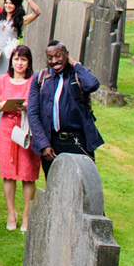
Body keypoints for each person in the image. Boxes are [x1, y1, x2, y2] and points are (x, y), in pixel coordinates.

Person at [25, 40, 103, 178]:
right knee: (55, 186)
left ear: (67, 54)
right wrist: (44, 145)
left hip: (77, 141)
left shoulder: (77, 75)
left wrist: (75, 64)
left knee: (84, 185)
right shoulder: (40, 78)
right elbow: (33, 113)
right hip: (52, 143)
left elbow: (92, 85)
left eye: (58, 56)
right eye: (50, 58)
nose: (54, 61)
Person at [0, 45, 40, 231]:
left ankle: (28, 216)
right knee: (8, 172)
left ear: (28, 63)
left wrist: (27, 107)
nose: (19, 63)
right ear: (11, 61)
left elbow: (39, 104)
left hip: (27, 128)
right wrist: (8, 104)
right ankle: (11, 213)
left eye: (23, 59)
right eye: (16, 59)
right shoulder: (4, 80)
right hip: (7, 129)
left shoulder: (34, 81)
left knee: (27, 174)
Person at [0, 0, 41, 129]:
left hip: (10, 56)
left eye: (11, 3)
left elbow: (37, 11)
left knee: (9, 83)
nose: (8, 5)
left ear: (16, 4)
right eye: (6, 2)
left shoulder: (20, 20)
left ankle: (13, 117)